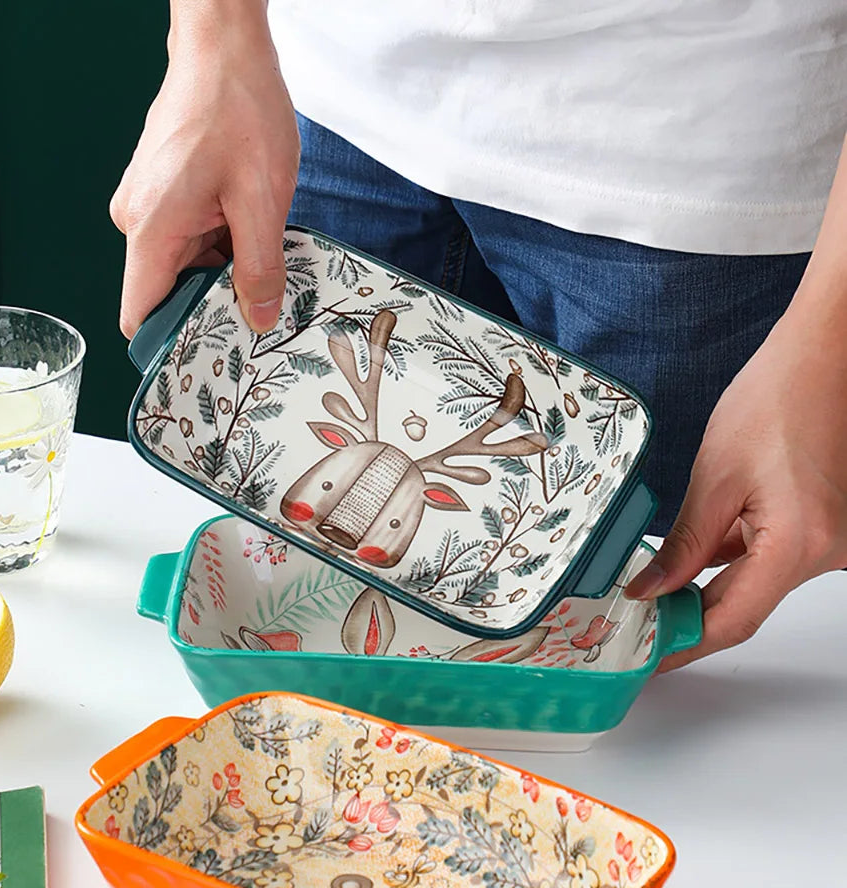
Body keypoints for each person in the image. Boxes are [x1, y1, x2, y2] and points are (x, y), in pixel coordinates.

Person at [110, 0, 847, 670]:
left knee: (654, 652)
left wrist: (824, 341)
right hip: (323, 88)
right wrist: (212, 40)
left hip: (696, 164)